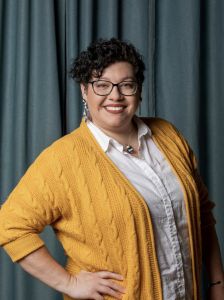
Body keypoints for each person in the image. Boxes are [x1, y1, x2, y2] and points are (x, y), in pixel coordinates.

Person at [0, 38, 223, 300]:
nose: (115, 95)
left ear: (138, 90)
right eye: (102, 85)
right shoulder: (62, 159)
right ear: (85, 90)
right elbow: (9, 226)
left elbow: (202, 216)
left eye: (126, 85)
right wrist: (70, 283)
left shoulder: (169, 136)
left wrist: (217, 283)